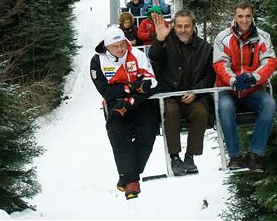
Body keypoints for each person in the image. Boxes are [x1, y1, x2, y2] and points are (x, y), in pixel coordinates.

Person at [90, 26, 159, 199]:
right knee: (116, 132)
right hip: (116, 104)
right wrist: (132, 87)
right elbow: (107, 92)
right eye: (116, 46)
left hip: (140, 103)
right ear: (107, 47)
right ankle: (131, 181)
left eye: (123, 44)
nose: (121, 49)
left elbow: (151, 83)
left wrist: (131, 98)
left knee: (149, 129)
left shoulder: (137, 54)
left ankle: (128, 176)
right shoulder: (97, 61)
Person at [213, 2, 277, 173]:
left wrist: (253, 77)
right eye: (240, 16)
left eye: (248, 16)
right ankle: (235, 155)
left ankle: (255, 153)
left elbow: (269, 61)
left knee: (269, 104)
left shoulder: (263, 37)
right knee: (225, 107)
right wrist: (233, 80)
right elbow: (220, 63)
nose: (244, 20)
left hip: (253, 89)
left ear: (252, 17)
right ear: (235, 17)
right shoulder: (222, 37)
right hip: (228, 89)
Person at [149, 10, 215, 176]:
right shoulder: (165, 41)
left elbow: (209, 76)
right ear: (174, 26)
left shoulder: (205, 48)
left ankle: (190, 156)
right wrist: (159, 41)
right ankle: (174, 157)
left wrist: (196, 92)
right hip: (169, 93)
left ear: (193, 27)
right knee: (170, 111)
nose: (183, 30)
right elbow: (154, 57)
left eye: (186, 26)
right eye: (179, 26)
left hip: (192, 95)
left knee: (200, 112)